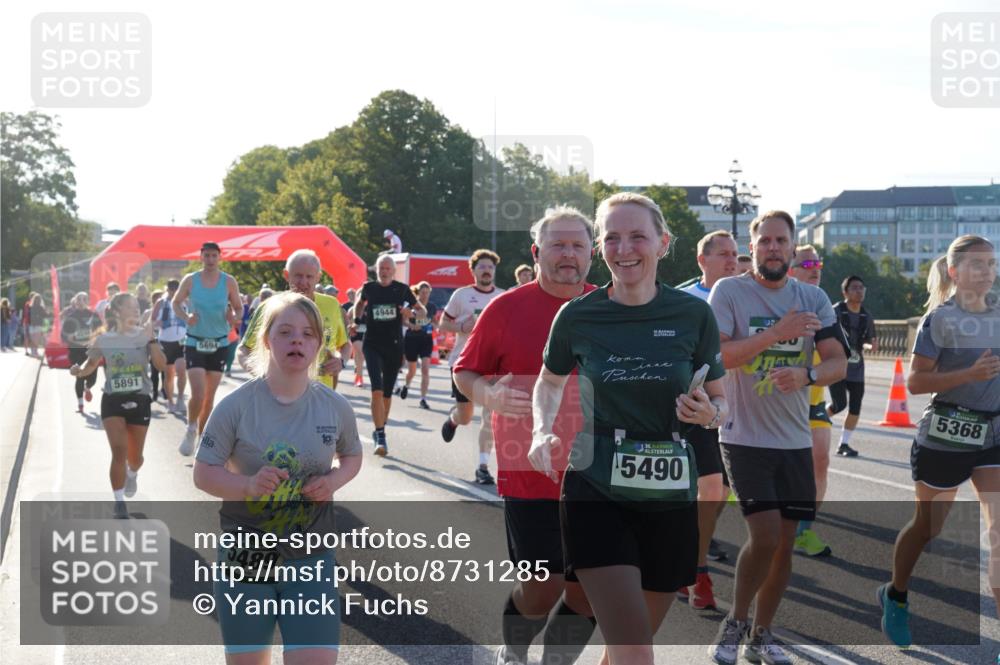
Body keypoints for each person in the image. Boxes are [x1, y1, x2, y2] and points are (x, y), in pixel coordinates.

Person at [530, 193, 727, 665]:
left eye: (638, 235)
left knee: (622, 644)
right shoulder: (578, 315)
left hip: (672, 494)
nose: (625, 248)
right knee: (635, 651)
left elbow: (721, 398)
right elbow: (549, 382)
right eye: (612, 237)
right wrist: (541, 430)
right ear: (600, 247)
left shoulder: (694, 314)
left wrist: (709, 413)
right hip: (597, 488)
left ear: (662, 242)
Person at [455, 206, 599, 665]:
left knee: (589, 590)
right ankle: (514, 648)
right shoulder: (505, 308)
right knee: (543, 587)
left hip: (600, 473)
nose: (568, 254)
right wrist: (487, 396)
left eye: (578, 245)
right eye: (558, 245)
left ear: (591, 254)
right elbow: (466, 372)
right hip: (527, 468)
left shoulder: (609, 307)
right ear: (537, 253)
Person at [708, 210, 847, 665]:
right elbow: (722, 356)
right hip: (743, 436)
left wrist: (807, 373)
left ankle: (761, 635)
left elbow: (837, 362)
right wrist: (777, 334)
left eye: (780, 241)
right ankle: (736, 620)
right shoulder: (730, 291)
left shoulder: (813, 298)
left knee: (786, 543)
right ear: (753, 247)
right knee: (764, 536)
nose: (772, 247)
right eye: (764, 240)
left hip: (794, 441)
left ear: (792, 247)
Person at [193, 291, 363, 662]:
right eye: (285, 332)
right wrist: (248, 485)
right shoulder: (235, 406)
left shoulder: (334, 406)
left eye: (307, 333)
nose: (297, 340)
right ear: (267, 340)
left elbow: (352, 455)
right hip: (248, 557)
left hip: (311, 555)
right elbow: (203, 473)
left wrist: (333, 481)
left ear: (319, 343)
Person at [878, 235, 1000, 649]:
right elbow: (915, 382)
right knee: (928, 528)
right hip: (947, 433)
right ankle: (895, 595)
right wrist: (968, 375)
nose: (987, 271)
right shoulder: (940, 320)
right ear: (954, 271)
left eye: (991, 263)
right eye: (977, 264)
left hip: (994, 436)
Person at [677, 229, 740, 610]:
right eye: (723, 255)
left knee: (719, 494)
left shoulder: (746, 299)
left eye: (736, 254)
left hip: (738, 413)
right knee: (709, 487)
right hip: (696, 409)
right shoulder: (684, 300)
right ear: (702, 260)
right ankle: (697, 571)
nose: (732, 261)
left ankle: (693, 546)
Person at [70, 292, 167, 518]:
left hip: (140, 399)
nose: (136, 310)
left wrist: (151, 339)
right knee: (119, 452)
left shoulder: (144, 336)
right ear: (117, 311)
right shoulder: (104, 339)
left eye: (137, 306)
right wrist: (79, 372)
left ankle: (132, 473)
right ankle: (119, 501)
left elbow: (161, 366)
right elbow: (90, 364)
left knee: (135, 458)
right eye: (131, 307)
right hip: (113, 400)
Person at [238, 250, 349, 391]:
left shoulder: (332, 305)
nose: (303, 282)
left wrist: (341, 361)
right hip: (279, 392)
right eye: (298, 276)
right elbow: (243, 349)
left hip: (320, 393)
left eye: (309, 276)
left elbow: (345, 345)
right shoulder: (270, 306)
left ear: (318, 277)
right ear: (286, 275)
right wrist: (261, 373)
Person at [439, 249, 505, 485]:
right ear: (474, 270)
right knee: (466, 417)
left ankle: (482, 467)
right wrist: (461, 327)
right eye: (482, 267)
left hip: (493, 365)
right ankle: (453, 420)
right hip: (464, 362)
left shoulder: (502, 297)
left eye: (490, 267)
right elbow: (443, 323)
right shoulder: (462, 295)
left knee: (490, 417)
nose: (487, 270)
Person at [172, 242, 243, 456]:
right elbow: (176, 303)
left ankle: (203, 439)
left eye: (214, 256)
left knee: (209, 397)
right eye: (207, 256)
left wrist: (234, 318)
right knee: (198, 392)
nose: (210, 260)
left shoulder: (228, 281)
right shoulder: (191, 280)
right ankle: (191, 428)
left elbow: (239, 308)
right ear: (201, 257)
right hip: (195, 341)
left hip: (219, 342)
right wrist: (186, 317)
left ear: (219, 258)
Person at [787, 247, 834, 557]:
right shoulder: (780, 303)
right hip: (777, 402)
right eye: (807, 263)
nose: (815, 268)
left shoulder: (824, 304)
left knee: (820, 461)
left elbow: (838, 356)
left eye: (818, 262)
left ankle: (804, 530)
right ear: (791, 269)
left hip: (814, 399)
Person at [357, 254, 416, 456]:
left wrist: (412, 314)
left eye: (388, 268)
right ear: (377, 270)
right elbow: (359, 303)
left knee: (388, 394)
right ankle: (380, 434)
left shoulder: (402, 289)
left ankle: (380, 428)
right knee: (377, 390)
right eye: (381, 268)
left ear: (393, 271)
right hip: (372, 344)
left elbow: (422, 311)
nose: (384, 271)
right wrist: (356, 317)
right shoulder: (369, 287)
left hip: (394, 346)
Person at [827, 275, 878, 458]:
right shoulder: (836, 311)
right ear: (845, 292)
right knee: (839, 405)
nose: (859, 291)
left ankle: (844, 444)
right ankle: (814, 424)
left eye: (861, 288)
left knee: (855, 408)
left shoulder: (866, 315)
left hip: (857, 369)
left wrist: (870, 346)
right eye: (855, 288)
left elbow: (868, 340)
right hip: (836, 365)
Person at [61, 293, 101, 413]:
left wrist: (93, 339)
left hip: (91, 350)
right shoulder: (71, 317)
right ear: (75, 302)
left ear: (88, 301)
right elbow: (64, 335)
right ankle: (80, 404)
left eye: (84, 299)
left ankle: (87, 388)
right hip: (75, 351)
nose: (81, 301)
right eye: (79, 299)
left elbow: (100, 331)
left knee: (93, 379)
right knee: (79, 376)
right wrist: (70, 337)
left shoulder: (93, 315)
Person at [399, 281, 437, 410]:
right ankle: (407, 385)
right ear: (418, 293)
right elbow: (403, 321)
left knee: (425, 369)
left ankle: (423, 399)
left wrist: (435, 326)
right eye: (422, 293)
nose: (425, 295)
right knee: (412, 370)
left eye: (427, 293)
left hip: (426, 340)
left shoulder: (432, 306)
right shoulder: (411, 305)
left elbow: (435, 322)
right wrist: (412, 326)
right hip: (412, 340)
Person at [153, 279, 188, 413]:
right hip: (166, 341)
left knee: (181, 370)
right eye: (171, 289)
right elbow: (152, 319)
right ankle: (170, 401)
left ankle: (180, 398)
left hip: (181, 340)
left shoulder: (185, 302)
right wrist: (159, 322)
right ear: (167, 289)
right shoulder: (161, 302)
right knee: (169, 375)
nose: (173, 292)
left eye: (176, 289)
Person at [347, 289, 367, 387]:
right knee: (360, 353)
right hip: (356, 334)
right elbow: (347, 322)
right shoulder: (352, 309)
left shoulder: (369, 309)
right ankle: (360, 378)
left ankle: (358, 376)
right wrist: (352, 325)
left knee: (360, 355)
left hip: (367, 334)